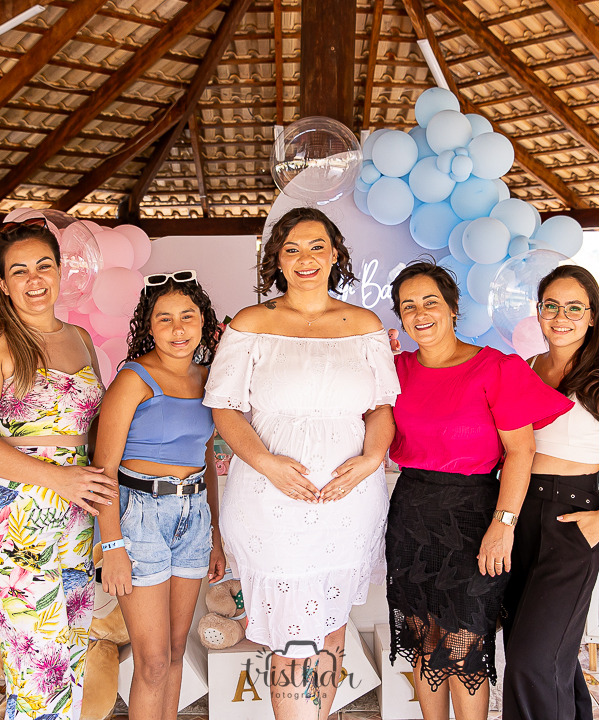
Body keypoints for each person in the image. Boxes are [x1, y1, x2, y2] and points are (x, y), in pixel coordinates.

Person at [204, 206, 399, 719]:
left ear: (335, 255)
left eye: (316, 247)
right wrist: (266, 463)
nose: (305, 258)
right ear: (277, 260)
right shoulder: (251, 323)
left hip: (348, 499)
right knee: (292, 639)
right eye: (291, 249)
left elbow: (381, 408)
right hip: (270, 499)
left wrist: (371, 459)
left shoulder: (365, 325)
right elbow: (224, 408)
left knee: (332, 627)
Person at [384, 259, 572, 720]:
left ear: (452, 308)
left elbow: (522, 452)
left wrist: (503, 525)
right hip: (411, 512)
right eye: (408, 306)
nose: (420, 313)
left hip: (474, 515)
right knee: (425, 639)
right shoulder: (393, 370)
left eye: (430, 302)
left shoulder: (496, 367)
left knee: (464, 643)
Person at [0, 217, 115, 720]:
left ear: (61, 271)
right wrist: (57, 479)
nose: (34, 278)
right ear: (2, 283)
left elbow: (97, 429)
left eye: (44, 265)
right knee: (36, 665)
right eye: (19, 270)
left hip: (77, 511)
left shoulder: (80, 338)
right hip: (14, 514)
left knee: (71, 652)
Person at [501, 265, 599, 720]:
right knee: (544, 655)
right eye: (551, 306)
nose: (561, 317)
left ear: (592, 316)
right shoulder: (529, 368)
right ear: (538, 311)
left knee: (533, 661)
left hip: (572, 517)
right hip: (518, 512)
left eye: (574, 308)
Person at [94, 271, 227, 720]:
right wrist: (112, 546)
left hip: (194, 517)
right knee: (151, 662)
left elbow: (206, 458)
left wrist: (215, 535)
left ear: (203, 321)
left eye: (187, 316)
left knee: (174, 652)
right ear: (148, 327)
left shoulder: (208, 379)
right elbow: (103, 469)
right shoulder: (134, 379)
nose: (177, 329)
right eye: (164, 318)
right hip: (140, 518)